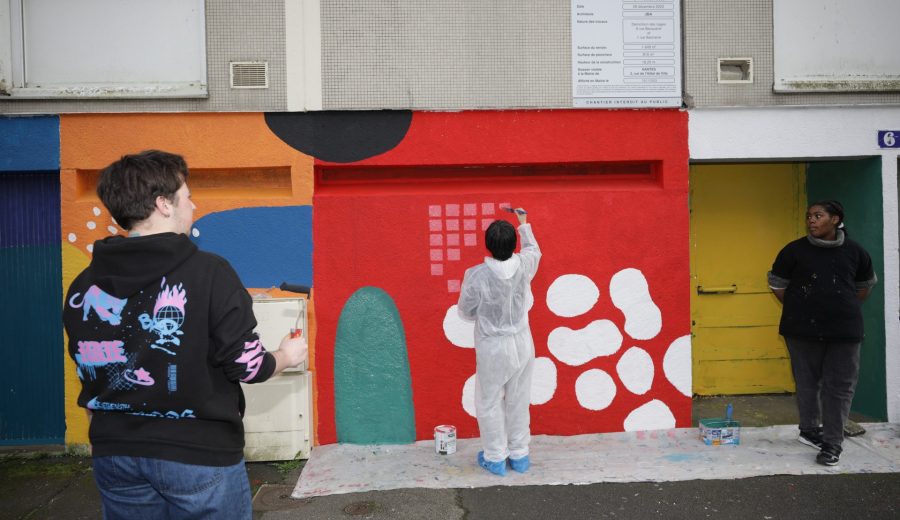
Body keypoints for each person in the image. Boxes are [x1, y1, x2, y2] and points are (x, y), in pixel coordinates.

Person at [63, 150, 308, 519]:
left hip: (115, 452)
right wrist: (288, 354)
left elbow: (91, 359)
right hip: (197, 452)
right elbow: (248, 366)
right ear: (164, 204)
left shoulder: (85, 283)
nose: (192, 204)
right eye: (187, 195)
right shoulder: (210, 272)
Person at [767, 200, 877, 466]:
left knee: (839, 387)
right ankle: (808, 429)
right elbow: (777, 284)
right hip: (801, 329)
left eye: (818, 216)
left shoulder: (855, 251)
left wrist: (840, 308)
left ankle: (832, 443)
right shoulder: (794, 251)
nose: (812, 221)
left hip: (845, 331)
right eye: (809, 216)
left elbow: (864, 286)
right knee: (806, 382)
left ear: (835, 219)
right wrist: (800, 308)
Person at [457, 208, 541, 476]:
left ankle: (494, 458)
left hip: (492, 347)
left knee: (490, 400)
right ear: (513, 244)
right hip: (522, 342)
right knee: (519, 397)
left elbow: (466, 311)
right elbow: (534, 251)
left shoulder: (477, 275)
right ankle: (519, 455)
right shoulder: (524, 266)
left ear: (488, 245)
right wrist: (524, 224)